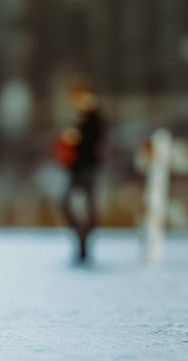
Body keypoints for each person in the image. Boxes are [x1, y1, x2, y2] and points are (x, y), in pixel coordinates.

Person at [56, 79, 105, 264]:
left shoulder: (94, 117)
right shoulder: (81, 117)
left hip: (87, 168)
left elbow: (93, 143)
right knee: (69, 205)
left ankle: (85, 242)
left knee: (84, 207)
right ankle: (81, 239)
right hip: (76, 168)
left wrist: (76, 140)